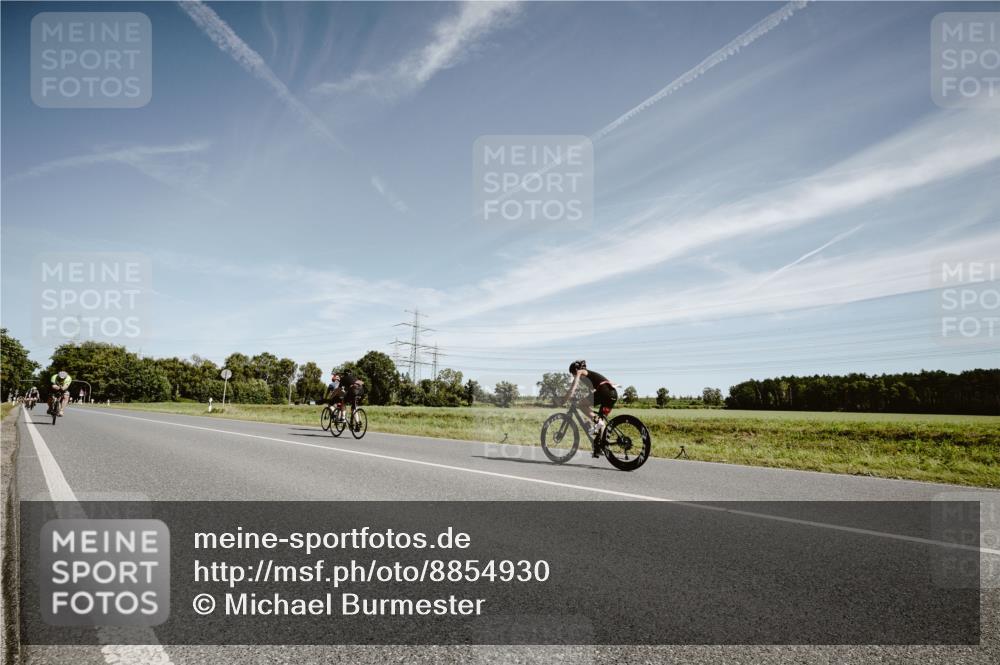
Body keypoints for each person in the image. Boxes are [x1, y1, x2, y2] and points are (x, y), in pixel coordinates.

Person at [563, 360, 618, 457]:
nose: (573, 376)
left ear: (576, 370)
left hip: (604, 391)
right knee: (601, 422)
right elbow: (591, 393)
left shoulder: (580, 372)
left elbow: (573, 386)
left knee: (581, 405)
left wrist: (565, 399)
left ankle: (596, 420)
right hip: (612, 393)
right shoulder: (589, 376)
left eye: (572, 373)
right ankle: (600, 447)